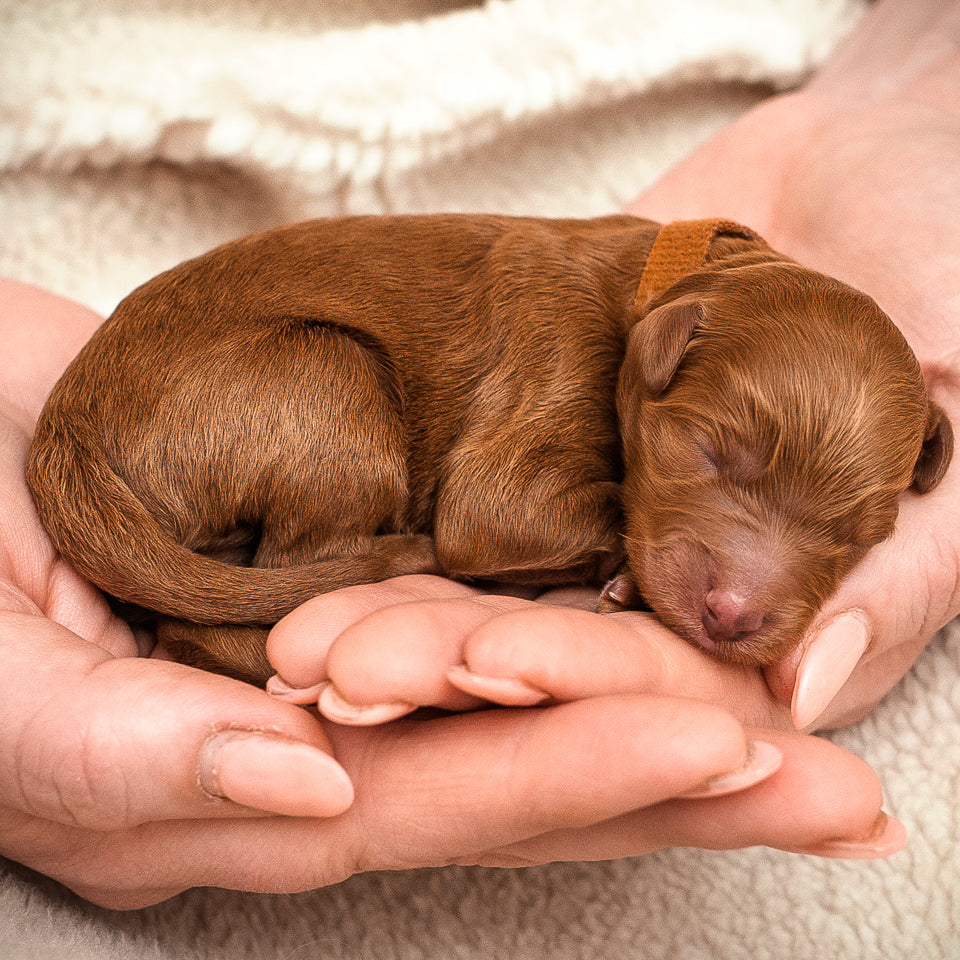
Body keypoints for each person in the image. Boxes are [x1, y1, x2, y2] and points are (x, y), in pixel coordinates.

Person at [0, 0, 953, 909]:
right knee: (351, 430)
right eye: (713, 457)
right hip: (200, 401)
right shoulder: (581, 317)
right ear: (662, 350)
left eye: (841, 533)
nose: (740, 598)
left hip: (183, 419)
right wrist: (591, 549)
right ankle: (221, 611)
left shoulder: (698, 333)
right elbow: (491, 524)